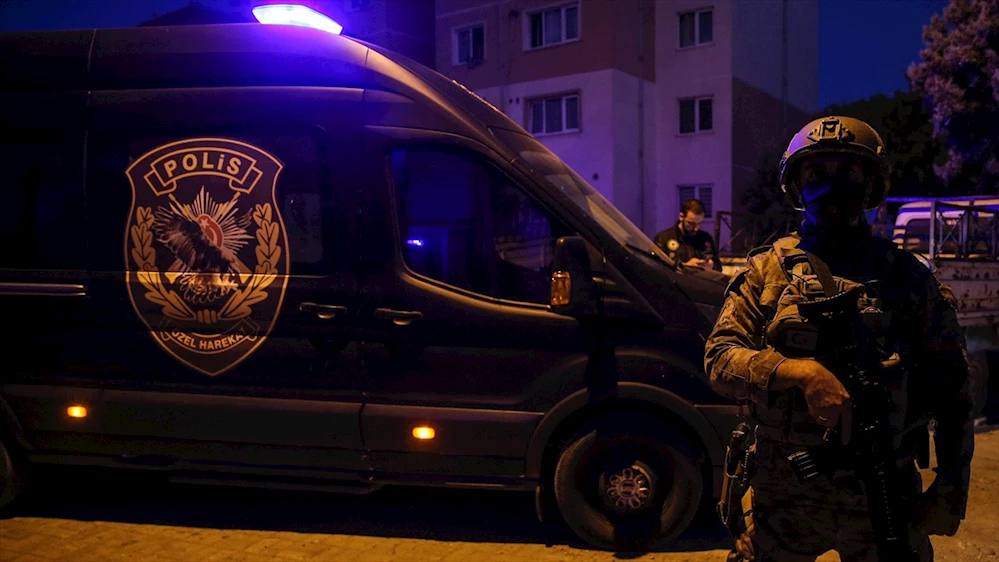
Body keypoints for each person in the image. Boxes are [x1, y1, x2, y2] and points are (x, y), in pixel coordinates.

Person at [704, 116, 975, 561]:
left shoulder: (908, 279)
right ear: (797, 186)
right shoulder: (766, 272)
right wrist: (798, 373)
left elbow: (954, 391)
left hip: (883, 490)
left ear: (871, 186)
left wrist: (951, 486)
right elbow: (719, 358)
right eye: (816, 173)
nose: (832, 187)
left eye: (849, 172)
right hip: (785, 499)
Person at [654, 198, 723, 271]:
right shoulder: (663, 238)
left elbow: (718, 267)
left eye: (699, 223)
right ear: (681, 217)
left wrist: (712, 266)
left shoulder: (705, 238)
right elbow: (657, 268)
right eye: (691, 223)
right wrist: (685, 267)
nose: (695, 228)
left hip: (700, 278)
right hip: (676, 278)